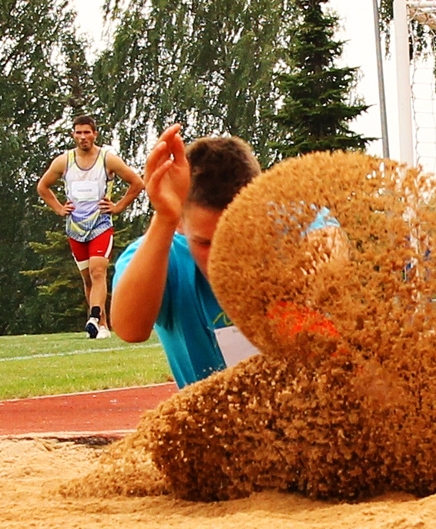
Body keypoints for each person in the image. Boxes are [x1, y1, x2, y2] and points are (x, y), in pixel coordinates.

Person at [111, 124, 344, 388]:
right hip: (213, 424)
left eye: (236, 238)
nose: (222, 258)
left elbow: (329, 258)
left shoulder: (297, 224)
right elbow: (130, 329)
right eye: (205, 243)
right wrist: (164, 217)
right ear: (181, 225)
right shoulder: (161, 253)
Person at [37, 115, 145, 339]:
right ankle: (100, 326)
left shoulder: (107, 159)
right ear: (73, 135)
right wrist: (58, 208)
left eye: (87, 132)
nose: (83, 137)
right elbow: (43, 187)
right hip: (75, 227)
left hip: (101, 224)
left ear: (95, 134)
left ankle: (94, 317)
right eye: (79, 132)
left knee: (98, 271)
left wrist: (118, 207)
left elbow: (136, 183)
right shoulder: (64, 161)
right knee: (87, 278)